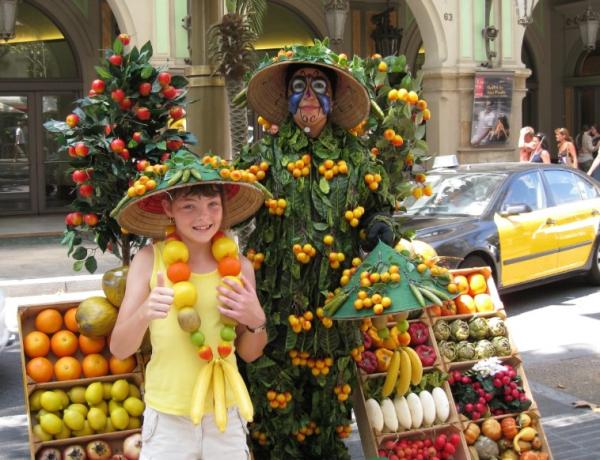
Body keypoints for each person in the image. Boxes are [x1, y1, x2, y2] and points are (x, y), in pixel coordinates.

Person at [236, 43, 396, 459]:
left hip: (334, 316)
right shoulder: (263, 154)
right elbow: (231, 207)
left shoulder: (357, 156)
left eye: (318, 85)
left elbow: (380, 208)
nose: (308, 94)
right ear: (286, 96)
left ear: (334, 96)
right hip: (273, 314)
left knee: (328, 423)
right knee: (273, 422)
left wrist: (379, 228)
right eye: (299, 85)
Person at [110, 150, 268, 460]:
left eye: (213, 205)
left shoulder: (238, 267)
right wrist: (144, 312)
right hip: (167, 418)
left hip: (226, 413)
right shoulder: (149, 262)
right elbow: (119, 348)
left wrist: (256, 320)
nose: (203, 217)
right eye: (189, 206)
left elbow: (250, 353)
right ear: (168, 208)